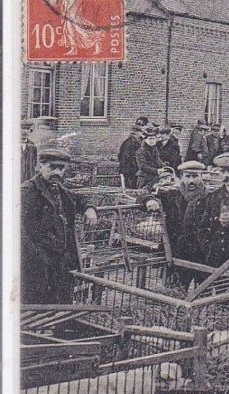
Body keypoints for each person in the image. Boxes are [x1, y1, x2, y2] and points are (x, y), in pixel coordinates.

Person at [21, 148, 99, 303]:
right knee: (37, 302)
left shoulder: (59, 188)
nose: (57, 172)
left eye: (61, 168)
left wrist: (89, 208)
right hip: (38, 259)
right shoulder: (28, 191)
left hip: (60, 256)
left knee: (61, 300)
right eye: (52, 167)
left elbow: (78, 197)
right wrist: (35, 255)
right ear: (40, 166)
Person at [143, 160, 210, 287]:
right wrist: (149, 200)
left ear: (201, 176)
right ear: (181, 177)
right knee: (174, 289)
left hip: (200, 252)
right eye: (187, 176)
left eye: (195, 176)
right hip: (176, 250)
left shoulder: (210, 197)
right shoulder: (172, 195)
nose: (191, 180)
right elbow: (143, 193)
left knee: (202, 291)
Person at [134, 125, 163, 190]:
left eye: (153, 138)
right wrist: (156, 171)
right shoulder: (140, 151)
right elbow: (142, 166)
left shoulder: (155, 150)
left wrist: (164, 167)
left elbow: (158, 161)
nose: (152, 141)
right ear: (145, 140)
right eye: (150, 139)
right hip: (144, 179)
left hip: (154, 178)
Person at [117, 124, 142, 189]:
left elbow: (120, 156)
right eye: (140, 132)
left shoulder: (130, 141)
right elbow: (128, 157)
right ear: (137, 133)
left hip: (130, 168)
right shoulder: (130, 143)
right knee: (130, 187)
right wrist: (137, 167)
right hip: (130, 169)